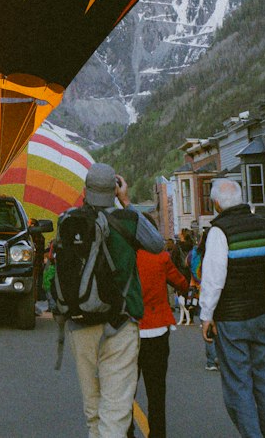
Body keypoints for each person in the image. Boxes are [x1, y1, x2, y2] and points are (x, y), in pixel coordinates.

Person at [57, 165, 165, 438]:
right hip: (120, 326)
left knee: (93, 409)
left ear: (84, 192)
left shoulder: (67, 221)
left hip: (80, 324)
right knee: (115, 411)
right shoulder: (128, 220)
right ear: (114, 190)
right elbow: (158, 245)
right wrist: (126, 202)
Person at [199, 178, 265, 438]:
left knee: (238, 384)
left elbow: (214, 278)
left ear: (216, 204)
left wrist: (206, 315)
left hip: (231, 317)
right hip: (262, 313)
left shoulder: (219, 231)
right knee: (264, 380)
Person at [127, 239, 188, 438]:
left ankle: (126, 432)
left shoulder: (126, 257)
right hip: (157, 328)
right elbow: (181, 283)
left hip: (130, 329)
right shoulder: (161, 257)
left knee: (126, 390)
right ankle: (157, 434)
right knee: (156, 391)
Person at [188, 228, 218, 370]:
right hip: (216, 291)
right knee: (218, 324)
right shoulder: (216, 252)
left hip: (201, 292)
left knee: (206, 323)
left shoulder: (197, 253)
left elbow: (191, 269)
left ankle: (211, 360)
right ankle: (219, 357)